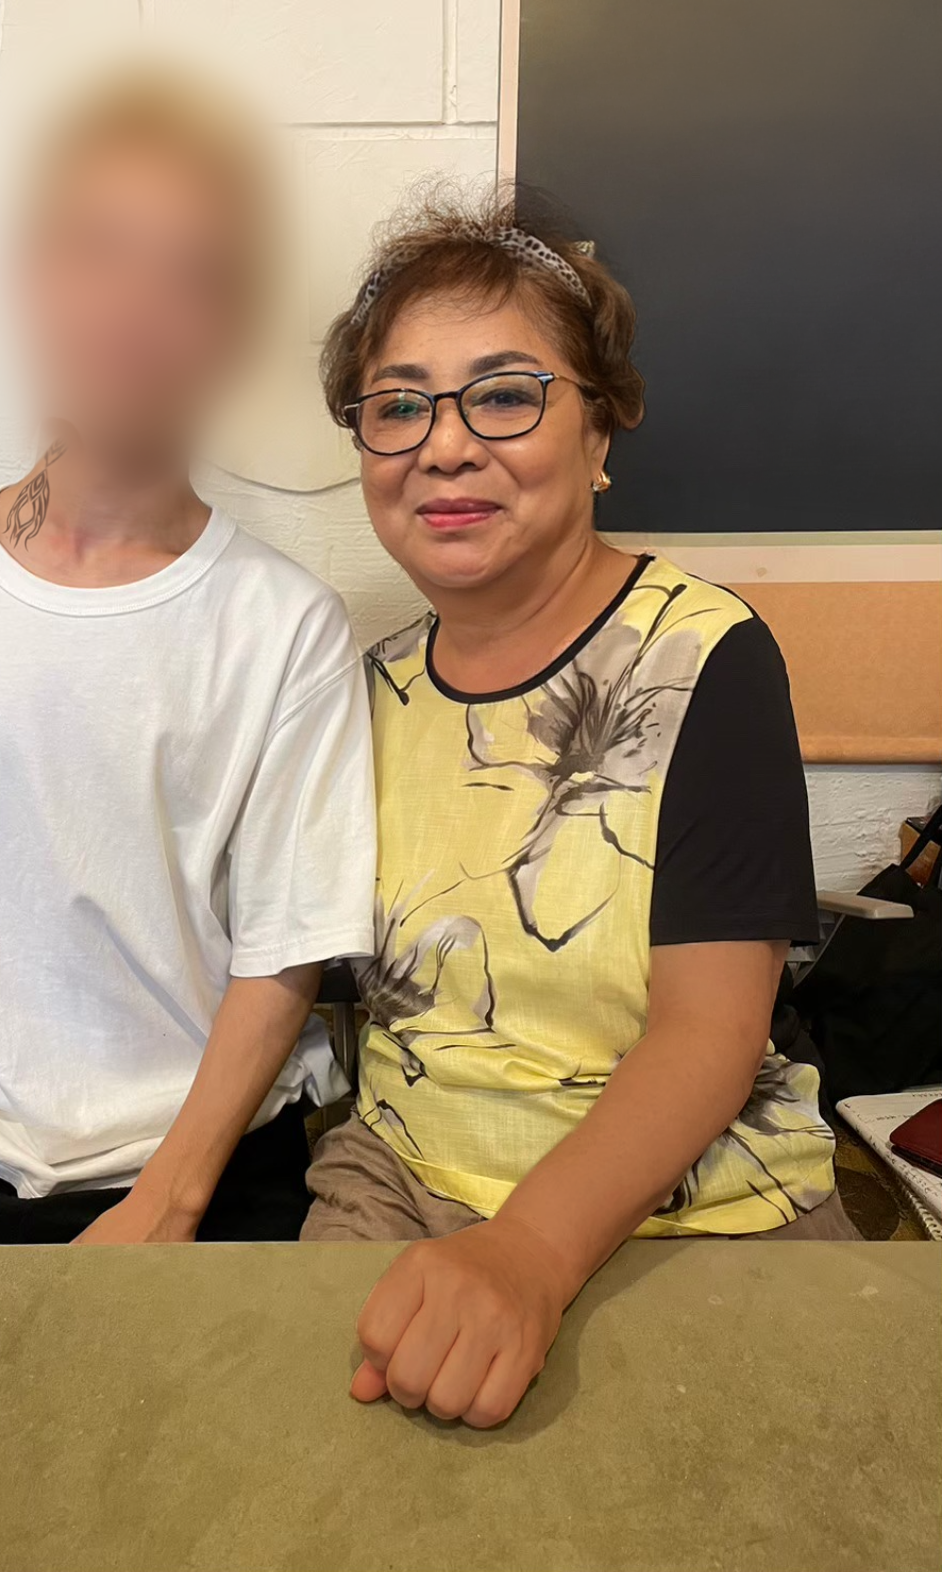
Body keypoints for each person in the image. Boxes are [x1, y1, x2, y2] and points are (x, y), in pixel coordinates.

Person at [0, 72, 375, 1247]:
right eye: (99, 250)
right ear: (32, 281)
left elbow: (285, 948)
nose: (134, 309)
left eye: (191, 274)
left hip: (208, 1161)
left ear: (235, 332)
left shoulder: (284, 626)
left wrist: (169, 1200)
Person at [303, 189, 854, 1427]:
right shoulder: (365, 693)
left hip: (689, 1200)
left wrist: (528, 1255)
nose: (444, 447)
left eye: (504, 394)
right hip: (403, 1176)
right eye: (398, 406)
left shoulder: (702, 656)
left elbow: (710, 1034)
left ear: (601, 429)